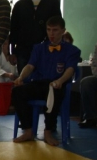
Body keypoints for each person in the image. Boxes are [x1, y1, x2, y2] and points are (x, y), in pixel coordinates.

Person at [12, 16, 81, 146]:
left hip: (57, 84)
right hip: (39, 83)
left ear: (63, 31)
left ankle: (48, 131)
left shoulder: (72, 50)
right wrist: (21, 77)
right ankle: (28, 130)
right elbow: (30, 66)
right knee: (17, 91)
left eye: (55, 30)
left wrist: (60, 81)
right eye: (48, 30)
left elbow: (70, 69)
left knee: (53, 91)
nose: (51, 33)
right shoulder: (39, 48)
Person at [6, 0, 62, 73]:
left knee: (45, 78)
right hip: (23, 50)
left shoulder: (52, 3)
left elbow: (58, 25)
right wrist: (12, 52)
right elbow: (14, 29)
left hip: (47, 48)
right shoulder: (20, 5)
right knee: (24, 79)